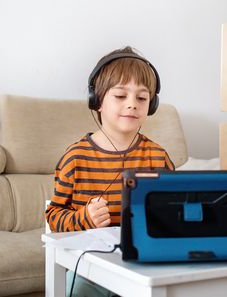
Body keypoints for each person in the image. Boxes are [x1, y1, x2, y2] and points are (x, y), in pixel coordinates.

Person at [45, 46, 175, 296]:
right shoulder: (76, 158)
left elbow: (174, 209)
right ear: (97, 101)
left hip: (145, 266)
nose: (132, 105)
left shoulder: (157, 156)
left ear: (152, 105)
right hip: (92, 268)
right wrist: (85, 217)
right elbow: (54, 216)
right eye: (120, 96)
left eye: (141, 98)